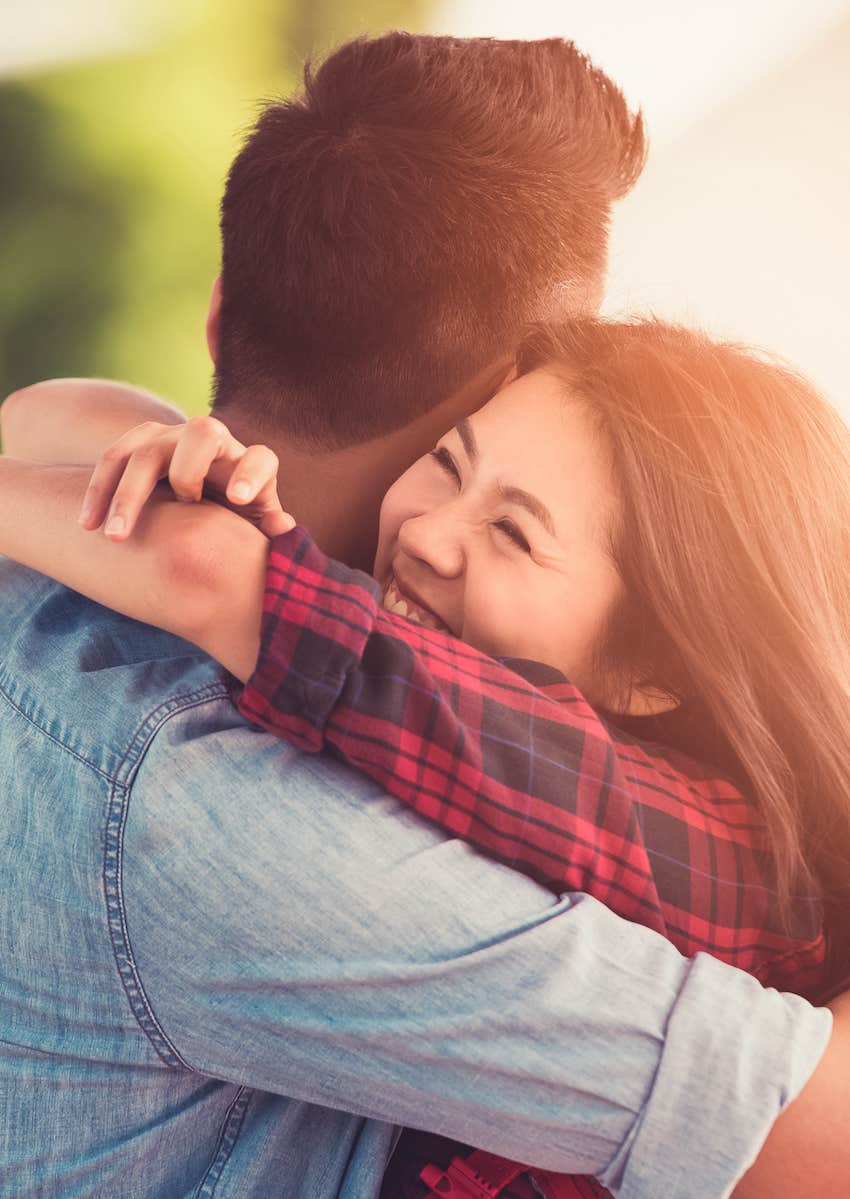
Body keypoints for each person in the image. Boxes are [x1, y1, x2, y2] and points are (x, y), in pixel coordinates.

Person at [0, 30, 845, 1199]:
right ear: (503, 383)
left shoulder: (54, 575)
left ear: (219, 312)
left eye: (517, 524)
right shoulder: (238, 813)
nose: (444, 531)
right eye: (462, 461)